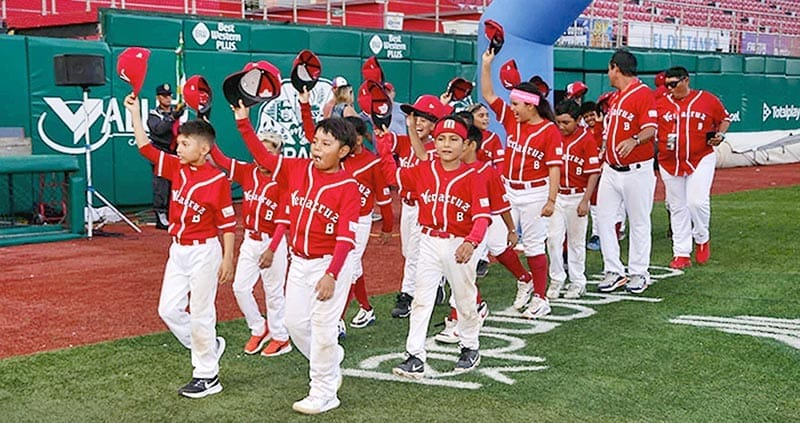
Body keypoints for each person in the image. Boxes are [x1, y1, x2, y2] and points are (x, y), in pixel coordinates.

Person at [235, 100, 360, 415]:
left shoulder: (348, 187)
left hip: (331, 263)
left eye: (326, 144)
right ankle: (330, 363)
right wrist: (242, 121)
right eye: (315, 141)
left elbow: (346, 239)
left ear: (343, 151)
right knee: (293, 323)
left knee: (322, 327)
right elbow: (263, 156)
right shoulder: (297, 168)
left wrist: (331, 274)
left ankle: (323, 392)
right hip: (298, 261)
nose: (317, 148)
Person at [124, 93, 234, 399]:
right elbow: (145, 147)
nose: (179, 147)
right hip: (179, 249)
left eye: (185, 143)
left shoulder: (218, 181)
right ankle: (209, 346)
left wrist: (228, 260)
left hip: (204, 251)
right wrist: (134, 113)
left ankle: (208, 375)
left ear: (204, 148)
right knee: (168, 309)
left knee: (201, 312)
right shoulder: (176, 167)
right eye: (179, 143)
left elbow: (226, 224)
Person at [392, 115, 491, 379]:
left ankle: (470, 346)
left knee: (464, 299)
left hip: (459, 243)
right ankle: (414, 356)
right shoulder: (424, 169)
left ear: (466, 145)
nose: (446, 144)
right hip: (428, 241)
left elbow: (483, 216)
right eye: (441, 139)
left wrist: (471, 241)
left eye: (454, 139)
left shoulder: (473, 176)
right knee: (421, 299)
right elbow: (392, 174)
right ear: (434, 142)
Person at [481, 48, 563, 318]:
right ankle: (524, 278)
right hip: (508, 190)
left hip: (535, 193)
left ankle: (541, 298)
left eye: (516, 103)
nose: (511, 108)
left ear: (531, 105)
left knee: (534, 245)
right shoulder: (511, 120)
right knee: (495, 243)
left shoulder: (549, 130)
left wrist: (551, 200)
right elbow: (488, 95)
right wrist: (487, 64)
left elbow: (554, 168)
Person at [434, 124, 533, 343]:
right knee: (464, 268)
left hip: (485, 224)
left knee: (466, 267)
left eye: (458, 140)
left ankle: (463, 317)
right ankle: (470, 311)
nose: (451, 145)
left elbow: (502, 204)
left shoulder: (486, 171)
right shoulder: (448, 168)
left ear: (470, 145)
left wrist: (510, 229)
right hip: (461, 227)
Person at [208, 130, 293, 358]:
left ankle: (281, 337)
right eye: (260, 150)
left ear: (277, 154)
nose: (262, 155)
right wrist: (207, 131)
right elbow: (222, 160)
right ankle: (259, 327)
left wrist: (272, 249)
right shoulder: (249, 171)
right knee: (240, 287)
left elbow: (284, 221)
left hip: (271, 242)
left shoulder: (283, 178)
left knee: (273, 293)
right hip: (250, 240)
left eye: (268, 151)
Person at [374, 95, 451, 319]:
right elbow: (389, 141)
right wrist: (382, 133)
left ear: (435, 125)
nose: (417, 122)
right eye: (415, 116)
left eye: (424, 119)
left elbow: (422, 156)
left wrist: (389, 148)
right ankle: (438, 279)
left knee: (416, 254)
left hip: (425, 207)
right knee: (409, 252)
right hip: (408, 207)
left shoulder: (437, 149)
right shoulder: (407, 141)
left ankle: (407, 295)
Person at [596, 50, 658, 295]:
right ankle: (614, 270)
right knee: (603, 219)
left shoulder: (643, 94)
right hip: (611, 169)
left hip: (637, 171)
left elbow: (651, 128)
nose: (608, 73)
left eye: (610, 68)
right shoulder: (616, 97)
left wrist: (634, 139)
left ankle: (639, 272)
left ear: (616, 68)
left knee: (639, 222)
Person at [656, 66, 730, 269]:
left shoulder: (706, 99)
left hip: (701, 156)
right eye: (667, 85)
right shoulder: (660, 103)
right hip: (669, 160)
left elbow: (724, 119)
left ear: (686, 80)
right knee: (677, 206)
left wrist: (720, 135)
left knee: (696, 202)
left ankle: (702, 237)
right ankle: (681, 252)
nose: (670, 88)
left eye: (673, 84)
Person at [338, 116, 394, 336]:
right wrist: (304, 105)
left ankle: (337, 320)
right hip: (338, 219)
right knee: (352, 267)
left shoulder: (372, 162)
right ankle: (367, 309)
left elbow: (384, 197)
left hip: (359, 222)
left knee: (347, 269)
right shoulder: (340, 157)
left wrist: (388, 226)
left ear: (359, 139)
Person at [546, 99, 601, 300]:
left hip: (577, 195)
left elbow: (593, 173)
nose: (561, 126)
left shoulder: (586, 139)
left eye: (566, 122)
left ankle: (578, 281)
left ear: (578, 120)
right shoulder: (554, 137)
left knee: (576, 242)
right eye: (558, 122)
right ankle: (557, 278)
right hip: (558, 195)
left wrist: (586, 200)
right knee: (553, 238)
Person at [147, 83, 185, 229]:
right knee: (161, 184)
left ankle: (172, 213)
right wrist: (173, 117)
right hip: (159, 152)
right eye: (164, 96)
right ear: (158, 98)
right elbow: (159, 130)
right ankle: (160, 215)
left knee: (175, 184)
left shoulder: (177, 112)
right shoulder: (154, 114)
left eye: (169, 96)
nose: (168, 98)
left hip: (174, 152)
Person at [467, 103, 505, 169]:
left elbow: (500, 165)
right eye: (481, 116)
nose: (486, 118)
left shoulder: (493, 137)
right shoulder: (463, 136)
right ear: (470, 118)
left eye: (487, 115)